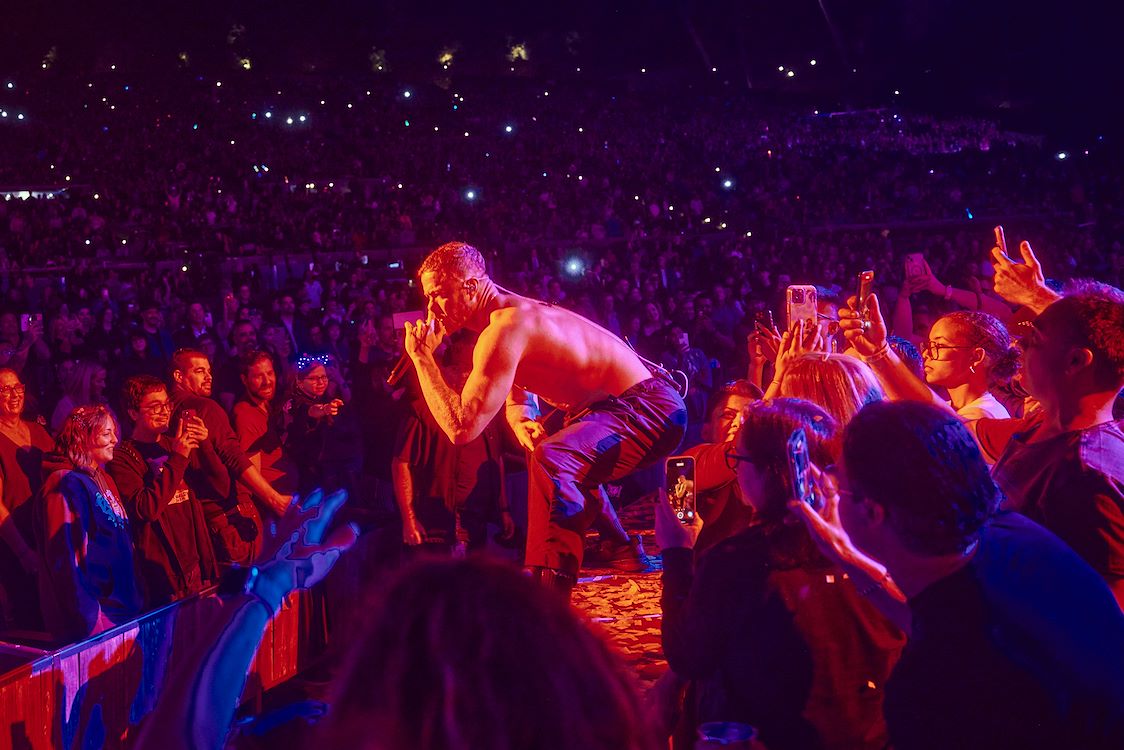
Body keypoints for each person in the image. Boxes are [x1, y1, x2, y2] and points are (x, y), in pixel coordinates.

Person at [791, 401, 1124, 749]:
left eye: (836, 480)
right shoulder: (1011, 534)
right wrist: (843, 553)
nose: (828, 487)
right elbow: (939, 617)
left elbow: (958, 640)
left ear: (872, 511)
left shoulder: (932, 685)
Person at [840, 238, 1124, 604]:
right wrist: (879, 353)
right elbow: (947, 427)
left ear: (1075, 362)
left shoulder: (1088, 473)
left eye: (1033, 340)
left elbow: (1107, 615)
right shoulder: (1036, 430)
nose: (1019, 348)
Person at [404, 241, 687, 596]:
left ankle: (550, 587)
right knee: (553, 449)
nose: (430, 308)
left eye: (439, 294)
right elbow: (519, 390)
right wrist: (522, 418)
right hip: (619, 408)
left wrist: (422, 360)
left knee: (555, 456)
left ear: (471, 287)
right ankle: (621, 546)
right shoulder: (509, 318)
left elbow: (462, 428)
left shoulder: (503, 329)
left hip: (649, 407)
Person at [657, 398, 903, 750]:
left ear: (769, 470)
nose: (736, 470)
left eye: (737, 459)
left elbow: (688, 654)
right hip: (869, 734)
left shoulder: (739, 558)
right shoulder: (872, 538)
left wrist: (677, 553)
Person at [106, 375, 218, 608]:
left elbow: (218, 486)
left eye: (166, 404)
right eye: (154, 406)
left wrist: (205, 445)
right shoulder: (123, 458)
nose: (164, 411)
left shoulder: (173, 443)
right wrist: (178, 459)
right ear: (133, 412)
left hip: (195, 564)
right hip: (163, 572)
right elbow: (145, 509)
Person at [169, 348, 288, 564]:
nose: (209, 377)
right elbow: (235, 457)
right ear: (178, 376)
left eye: (209, 371)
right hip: (230, 519)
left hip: (202, 522)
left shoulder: (165, 412)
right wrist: (274, 499)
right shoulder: (206, 407)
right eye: (199, 371)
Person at [36, 405, 143, 643]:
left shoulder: (102, 478)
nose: (115, 439)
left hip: (121, 613)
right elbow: (66, 559)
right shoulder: (65, 483)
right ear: (84, 437)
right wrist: (91, 620)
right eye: (107, 433)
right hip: (98, 624)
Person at [0, 368, 54, 631]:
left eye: (17, 388)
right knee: (30, 623)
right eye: (4, 389)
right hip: (18, 545)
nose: (13, 395)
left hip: (49, 538)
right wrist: (23, 553)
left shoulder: (38, 430)